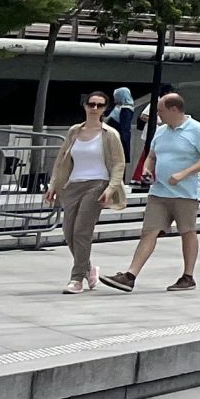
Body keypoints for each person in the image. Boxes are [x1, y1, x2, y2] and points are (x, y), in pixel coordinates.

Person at [101, 93, 200, 293]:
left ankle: (188, 276)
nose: (158, 115)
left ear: (174, 110)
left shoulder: (197, 130)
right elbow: (152, 156)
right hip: (160, 191)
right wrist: (147, 169)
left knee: (187, 231)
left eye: (161, 111)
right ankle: (130, 276)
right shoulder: (161, 132)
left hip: (185, 193)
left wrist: (184, 174)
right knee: (149, 232)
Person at [47, 91, 127, 293]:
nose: (94, 108)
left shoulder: (109, 134)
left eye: (99, 105)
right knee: (69, 233)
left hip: (97, 184)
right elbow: (62, 160)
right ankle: (88, 268)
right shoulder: (74, 131)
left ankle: (76, 279)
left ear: (105, 109)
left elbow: (118, 164)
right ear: (84, 106)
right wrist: (53, 184)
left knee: (82, 231)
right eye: (91, 104)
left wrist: (111, 188)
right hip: (73, 185)